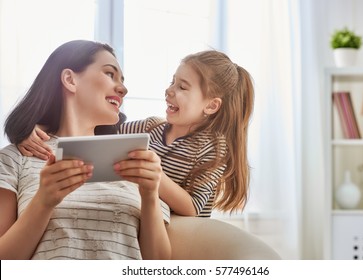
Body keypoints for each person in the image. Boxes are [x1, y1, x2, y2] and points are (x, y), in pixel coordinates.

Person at [17, 50, 255, 218]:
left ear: (211, 106)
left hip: (176, 231)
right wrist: (36, 130)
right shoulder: (150, 128)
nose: (169, 91)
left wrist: (153, 176)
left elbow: (193, 207)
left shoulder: (213, 148)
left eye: (182, 87)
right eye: (172, 82)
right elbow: (101, 130)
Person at [0, 40, 171, 260]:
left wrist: (149, 197)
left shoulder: (136, 160)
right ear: (70, 80)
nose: (123, 89)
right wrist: (44, 201)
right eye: (110, 74)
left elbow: (158, 264)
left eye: (122, 80)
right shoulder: (16, 158)